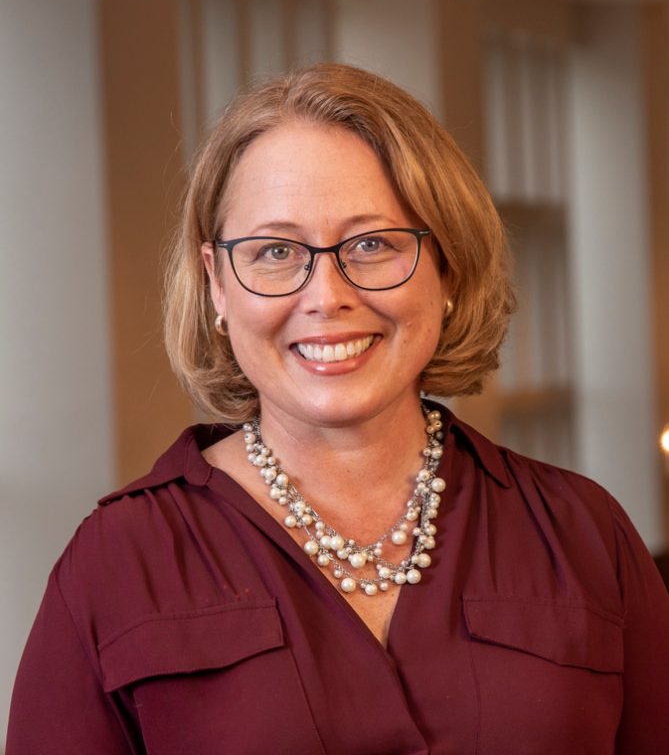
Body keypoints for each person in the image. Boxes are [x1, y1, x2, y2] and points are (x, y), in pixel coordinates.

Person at [7, 63, 669, 755]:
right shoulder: (117, 563)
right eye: (274, 251)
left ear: (446, 267)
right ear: (217, 287)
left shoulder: (582, 536)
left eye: (372, 244)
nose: (325, 296)